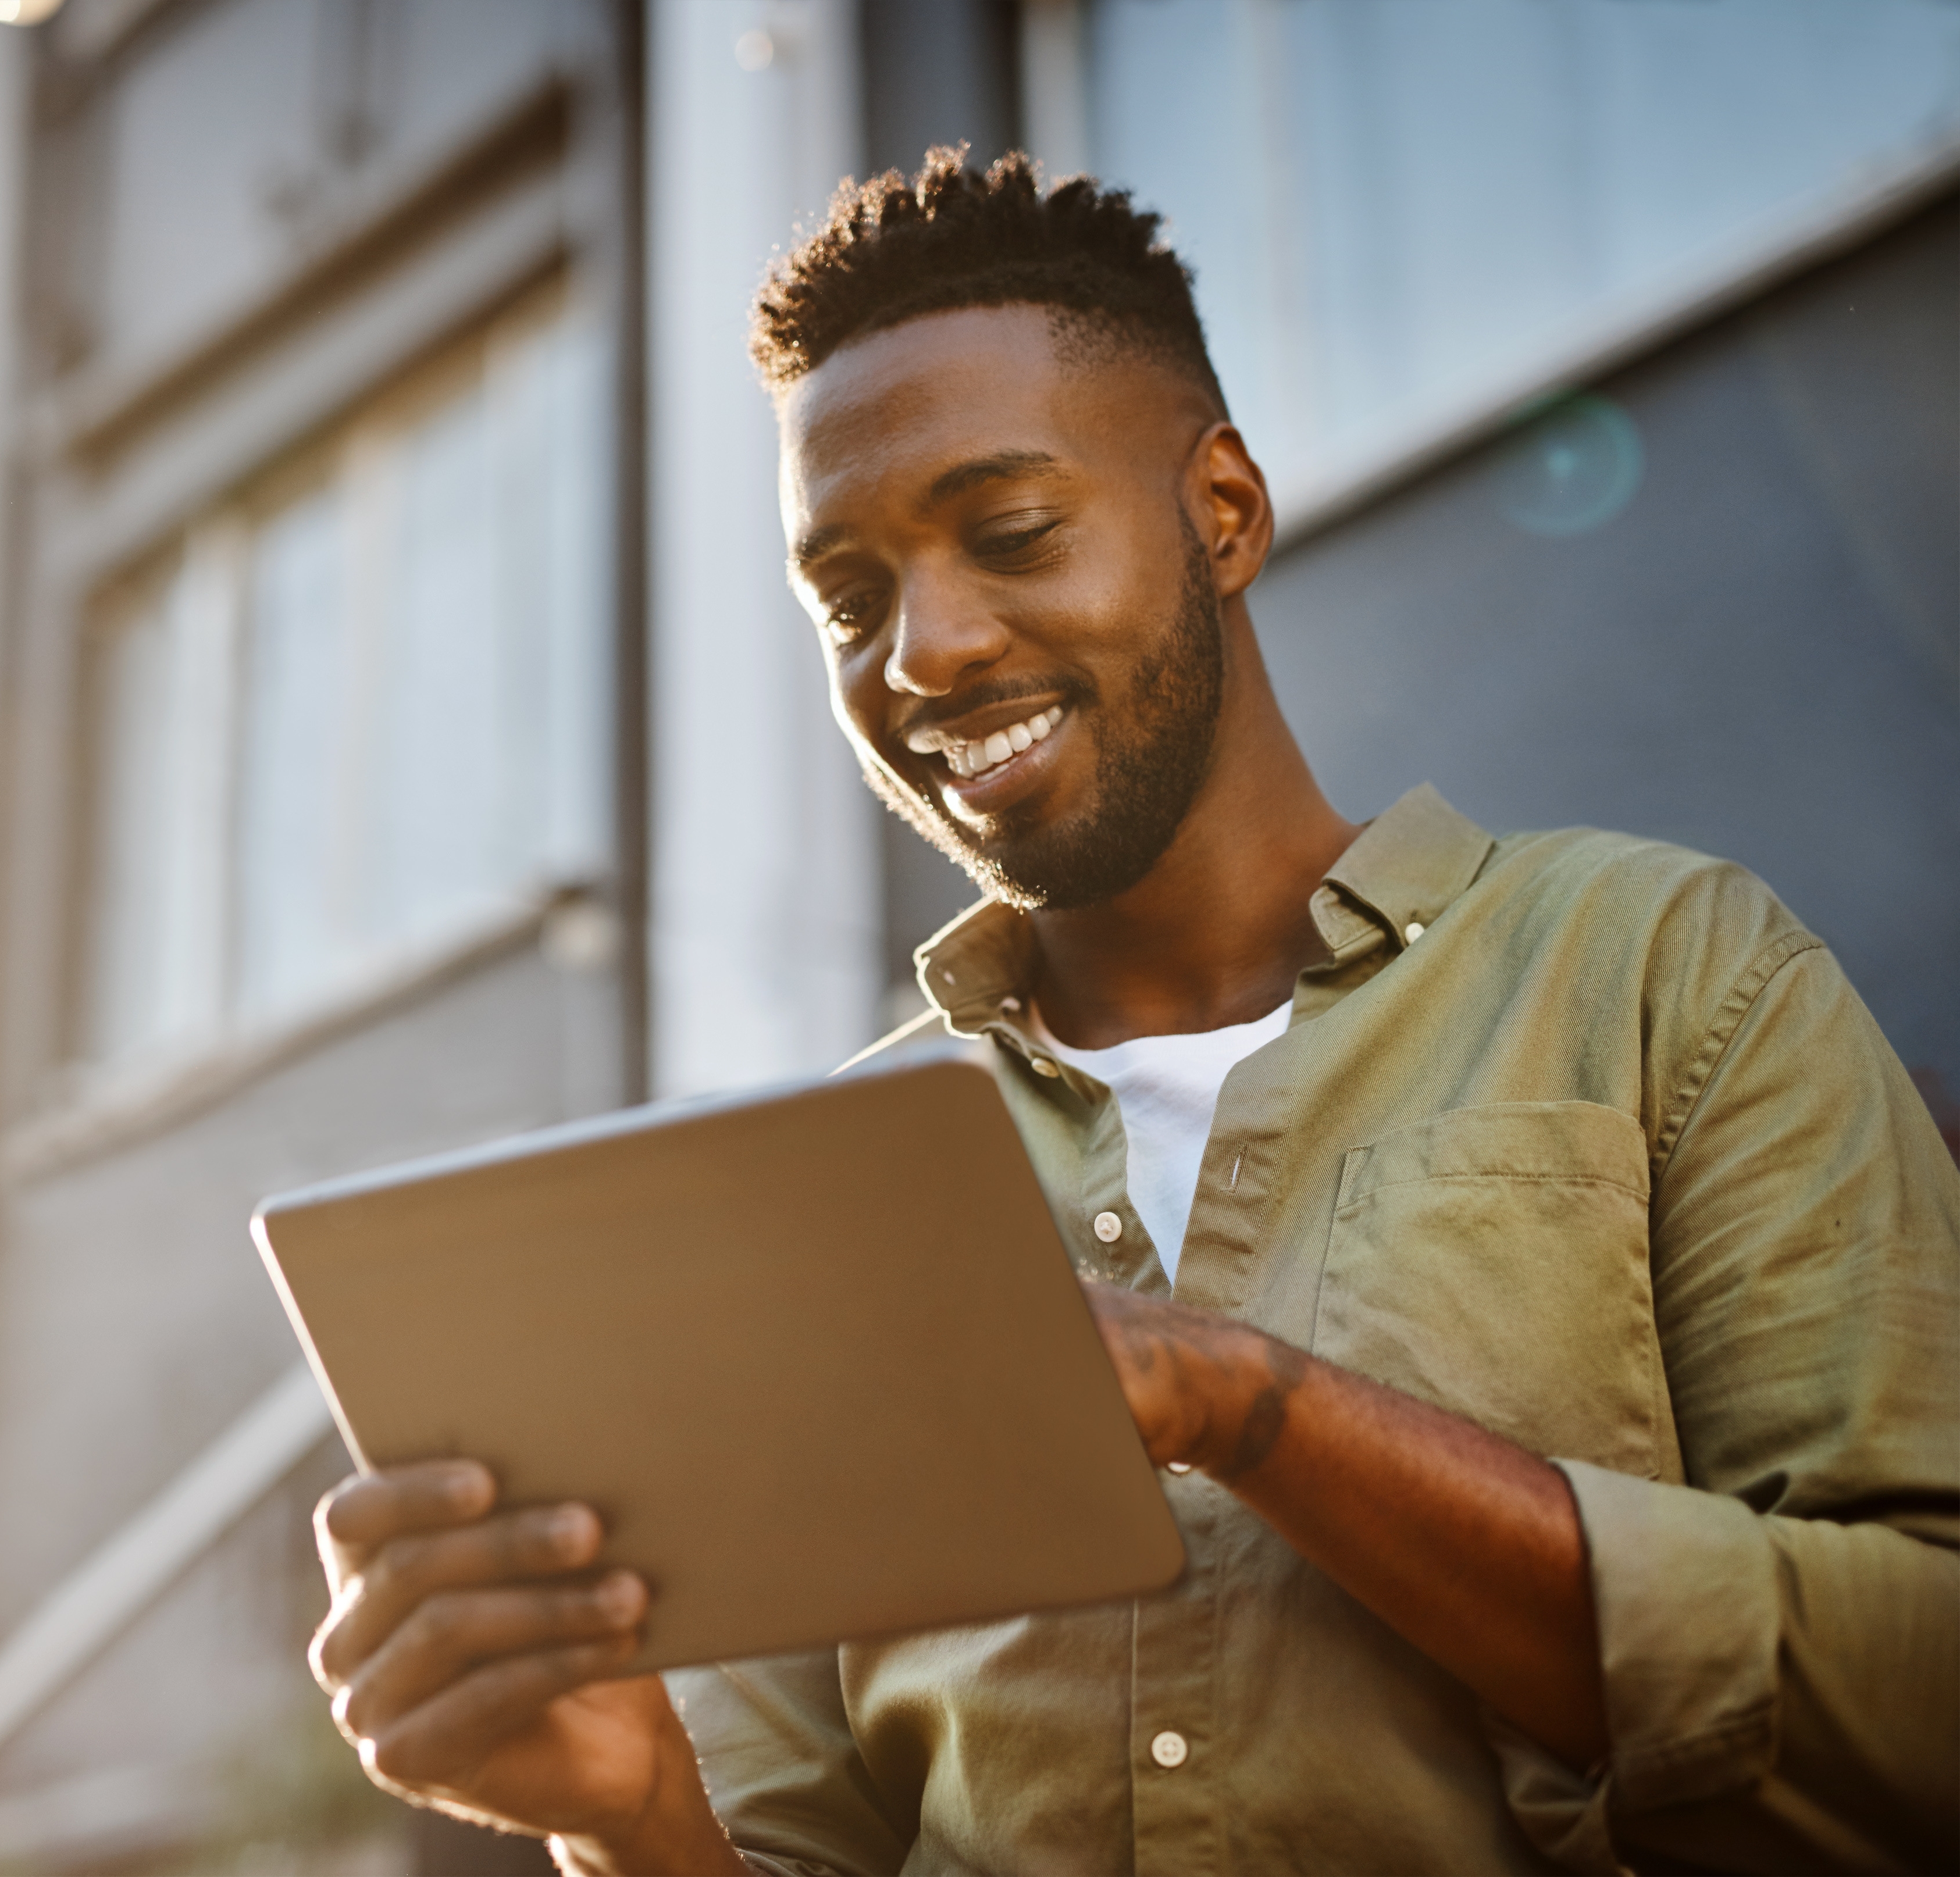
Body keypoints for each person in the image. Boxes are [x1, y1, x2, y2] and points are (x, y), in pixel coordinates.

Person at [303, 149, 1960, 1875]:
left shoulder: (1662, 970)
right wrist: (636, 1809)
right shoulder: (823, 1198)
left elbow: (1921, 1706)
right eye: (848, 600)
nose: (921, 652)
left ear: (1223, 512)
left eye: (1008, 534)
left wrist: (1244, 1405)